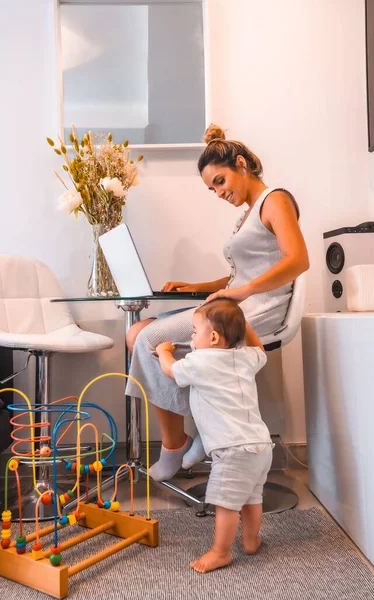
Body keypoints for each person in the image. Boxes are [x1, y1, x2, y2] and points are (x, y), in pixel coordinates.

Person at [125, 123, 309, 481]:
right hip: (235, 305)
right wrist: (196, 286)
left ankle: (175, 445)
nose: (218, 193)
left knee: (146, 340)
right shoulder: (248, 213)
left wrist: (243, 292)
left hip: (255, 314)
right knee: (138, 331)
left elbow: (298, 259)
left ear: (241, 163)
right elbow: (237, 277)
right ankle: (197, 435)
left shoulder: (276, 200)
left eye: (220, 182)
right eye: (212, 189)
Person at [156, 298, 272, 574]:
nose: (193, 338)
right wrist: (244, 324)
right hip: (261, 446)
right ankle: (251, 540)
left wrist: (164, 351)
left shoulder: (200, 361)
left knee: (226, 503)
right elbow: (260, 349)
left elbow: (171, 371)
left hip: (231, 450)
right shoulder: (245, 357)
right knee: (252, 498)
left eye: (195, 332)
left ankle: (221, 552)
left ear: (214, 337)